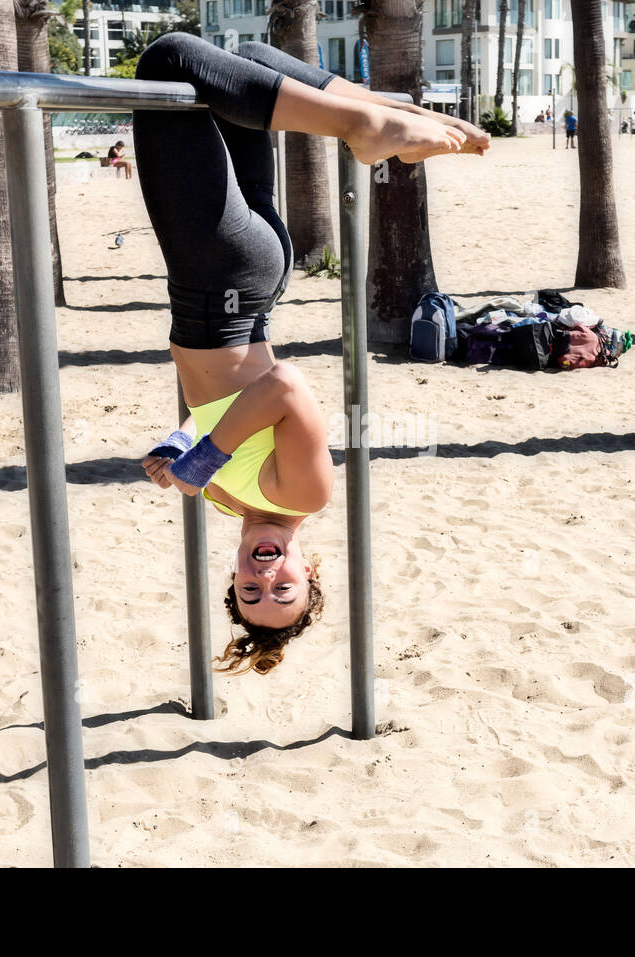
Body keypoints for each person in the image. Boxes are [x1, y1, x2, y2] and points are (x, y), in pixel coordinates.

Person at [134, 33, 486, 675]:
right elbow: (285, 388)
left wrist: (182, 441)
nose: (264, 579)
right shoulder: (304, 494)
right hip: (221, 278)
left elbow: (223, 408)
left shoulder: (225, 500)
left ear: (233, 577)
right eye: (284, 589)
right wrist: (206, 457)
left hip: (240, 284)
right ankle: (366, 124)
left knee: (241, 63)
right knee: (169, 63)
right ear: (309, 567)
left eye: (250, 593)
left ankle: (398, 117)